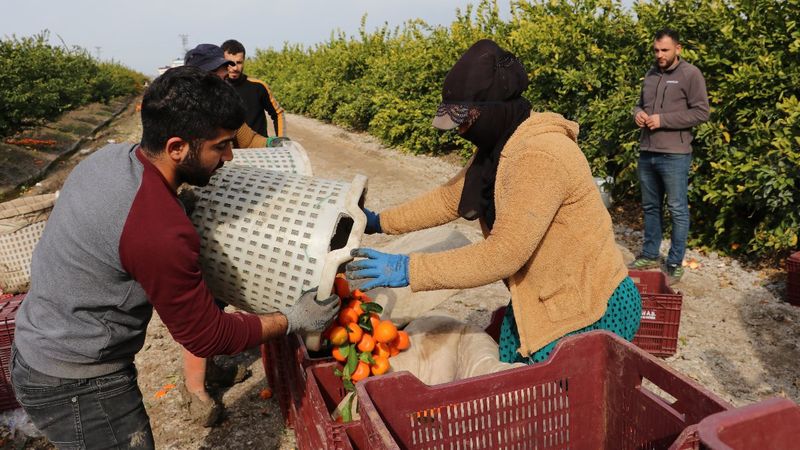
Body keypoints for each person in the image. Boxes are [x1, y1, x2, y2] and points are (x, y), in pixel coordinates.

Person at [10, 66, 340, 447]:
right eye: (220, 146)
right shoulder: (159, 229)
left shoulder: (111, 159)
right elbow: (207, 335)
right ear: (177, 148)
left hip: (38, 345)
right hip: (79, 382)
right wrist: (292, 318)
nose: (230, 157)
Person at [346, 39, 642, 365]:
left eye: (465, 121)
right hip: (541, 298)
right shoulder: (498, 146)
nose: (460, 131)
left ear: (492, 108)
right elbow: (449, 198)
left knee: (550, 401)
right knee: (515, 384)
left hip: (587, 307)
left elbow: (503, 255)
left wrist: (409, 269)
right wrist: (380, 222)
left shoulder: (539, 155)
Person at [629, 28, 709, 284]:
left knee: (676, 209)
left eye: (665, 50)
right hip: (647, 152)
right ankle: (650, 254)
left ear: (678, 48)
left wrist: (663, 120)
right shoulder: (651, 74)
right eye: (656, 50)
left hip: (675, 155)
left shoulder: (691, 74)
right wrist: (638, 113)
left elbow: (701, 113)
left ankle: (674, 262)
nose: (660, 55)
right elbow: (640, 104)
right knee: (651, 207)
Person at [184, 43, 272, 149]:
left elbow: (249, 141)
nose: (220, 85)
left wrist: (271, 142)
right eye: (213, 78)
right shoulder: (177, 113)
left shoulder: (227, 110)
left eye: (225, 78)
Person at [222, 39, 285, 137]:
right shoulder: (216, 88)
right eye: (230, 63)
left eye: (239, 62)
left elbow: (278, 113)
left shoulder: (258, 87)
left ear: (244, 62)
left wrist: (282, 140)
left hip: (259, 149)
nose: (234, 68)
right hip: (228, 150)